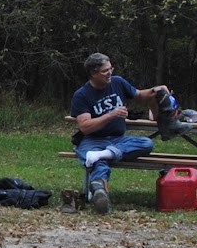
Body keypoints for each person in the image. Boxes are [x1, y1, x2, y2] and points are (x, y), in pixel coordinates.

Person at [69, 53, 176, 215]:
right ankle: (100, 192)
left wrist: (156, 90)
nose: (110, 73)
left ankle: (104, 157)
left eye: (110, 68)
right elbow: (85, 127)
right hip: (93, 140)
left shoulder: (118, 82)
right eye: (105, 71)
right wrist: (111, 115)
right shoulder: (82, 95)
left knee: (146, 144)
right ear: (93, 73)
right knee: (99, 161)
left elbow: (139, 96)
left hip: (118, 140)